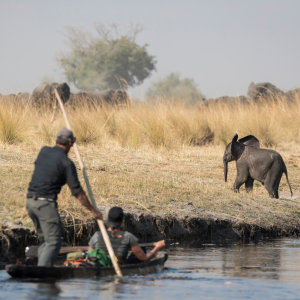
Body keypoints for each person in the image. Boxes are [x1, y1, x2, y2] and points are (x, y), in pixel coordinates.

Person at [26, 128, 102, 267]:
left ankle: (39, 270)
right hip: (45, 205)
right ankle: (43, 272)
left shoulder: (43, 151)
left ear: (56, 140)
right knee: (53, 241)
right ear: (71, 143)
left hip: (30, 202)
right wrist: (93, 210)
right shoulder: (67, 163)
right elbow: (78, 194)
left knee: (45, 241)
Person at [88, 207, 165, 264]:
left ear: (108, 220)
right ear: (122, 220)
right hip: (119, 266)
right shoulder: (128, 236)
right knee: (142, 249)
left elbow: (89, 256)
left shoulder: (96, 235)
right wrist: (157, 247)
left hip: (100, 265)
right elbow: (145, 258)